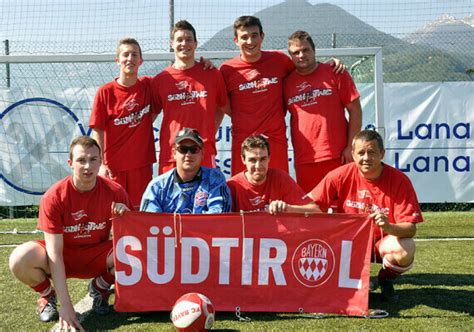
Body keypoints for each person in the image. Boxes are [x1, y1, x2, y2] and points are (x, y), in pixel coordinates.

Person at [9, 136, 133, 330]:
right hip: (63, 255)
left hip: (96, 254)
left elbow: (132, 236)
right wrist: (66, 307)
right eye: (81, 160)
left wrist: (124, 215)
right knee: (19, 258)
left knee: (135, 253)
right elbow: (55, 253)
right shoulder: (54, 196)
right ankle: (48, 296)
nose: (87, 166)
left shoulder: (115, 192)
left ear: (100, 161)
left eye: (93, 159)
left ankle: (99, 288)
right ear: (70, 163)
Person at [220, 16, 345, 176]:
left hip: (275, 142)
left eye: (254, 35)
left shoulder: (279, 60)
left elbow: (306, 66)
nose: (250, 41)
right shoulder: (227, 69)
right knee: (244, 193)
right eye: (244, 37)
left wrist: (329, 64)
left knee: (278, 192)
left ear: (262, 36)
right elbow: (220, 102)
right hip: (243, 143)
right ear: (236, 40)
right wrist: (240, 115)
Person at [307, 130, 423, 302]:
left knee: (406, 248)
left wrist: (389, 227)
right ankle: (354, 277)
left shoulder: (399, 180)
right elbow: (311, 204)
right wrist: (285, 207)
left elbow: (410, 229)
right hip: (347, 245)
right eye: (361, 153)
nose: (366, 157)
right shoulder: (339, 175)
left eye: (372, 152)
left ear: (382, 154)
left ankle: (385, 279)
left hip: (379, 244)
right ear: (353, 154)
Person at [284, 30, 362, 193]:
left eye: (305, 50)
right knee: (313, 211)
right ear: (290, 56)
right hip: (305, 159)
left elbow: (355, 110)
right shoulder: (286, 83)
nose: (301, 55)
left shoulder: (335, 73)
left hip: (338, 154)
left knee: (343, 209)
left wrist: (351, 147)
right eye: (295, 52)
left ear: (314, 50)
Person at [151, 20, 230, 174]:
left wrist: (210, 131)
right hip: (172, 154)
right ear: (172, 43)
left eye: (189, 39)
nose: (184, 44)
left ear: (196, 43)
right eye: (179, 40)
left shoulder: (212, 74)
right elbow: (149, 117)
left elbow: (222, 106)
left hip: (204, 153)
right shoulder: (161, 80)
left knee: (205, 198)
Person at [89, 37, 158, 209]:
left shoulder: (149, 85)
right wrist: (101, 164)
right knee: (113, 214)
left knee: (139, 214)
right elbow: (97, 131)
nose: (130, 59)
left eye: (134, 55)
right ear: (117, 60)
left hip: (141, 165)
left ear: (140, 61)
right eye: (125, 54)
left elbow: (174, 78)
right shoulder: (106, 92)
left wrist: (203, 64)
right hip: (114, 167)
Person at [141, 128, 231, 213]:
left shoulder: (214, 179)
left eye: (194, 150)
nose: (188, 154)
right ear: (174, 153)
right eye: (183, 149)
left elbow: (219, 216)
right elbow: (148, 221)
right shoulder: (157, 186)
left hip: (205, 230)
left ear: (202, 153)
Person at [227, 135, 319, 214]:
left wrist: (288, 208)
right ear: (243, 160)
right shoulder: (233, 185)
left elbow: (315, 210)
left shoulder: (280, 178)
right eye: (252, 160)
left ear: (269, 158)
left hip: (277, 234)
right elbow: (221, 222)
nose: (258, 166)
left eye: (263, 159)